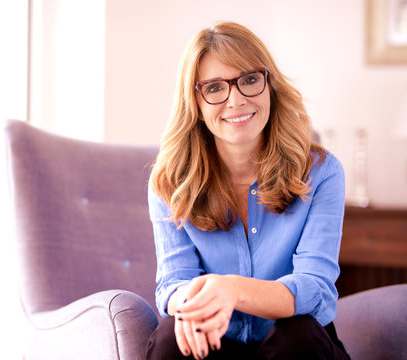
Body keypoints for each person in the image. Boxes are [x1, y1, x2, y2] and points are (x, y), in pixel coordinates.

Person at [145, 22, 350, 360]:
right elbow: (172, 283)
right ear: (194, 101)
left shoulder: (321, 172)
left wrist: (233, 291)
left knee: (296, 336)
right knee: (173, 337)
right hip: (215, 342)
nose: (236, 100)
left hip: (297, 345)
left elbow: (314, 287)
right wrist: (191, 304)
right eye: (214, 88)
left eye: (250, 80)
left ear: (269, 86)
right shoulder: (170, 182)